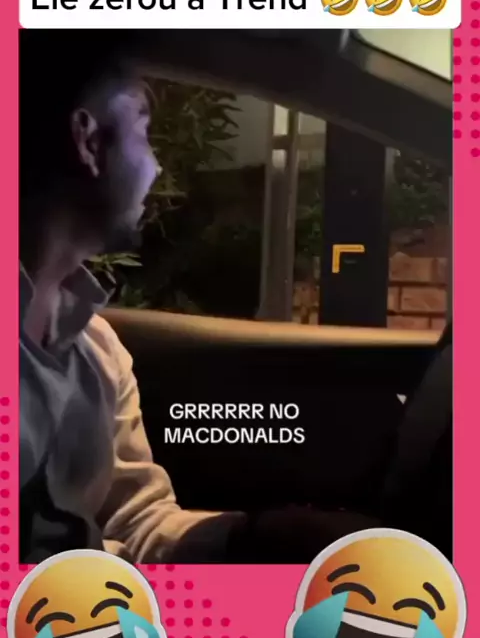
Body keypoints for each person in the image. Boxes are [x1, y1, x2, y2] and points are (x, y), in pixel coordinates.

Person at [20, 30, 376, 563]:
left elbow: (133, 520)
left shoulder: (98, 349)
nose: (158, 168)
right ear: (88, 141)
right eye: (144, 133)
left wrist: (253, 537)